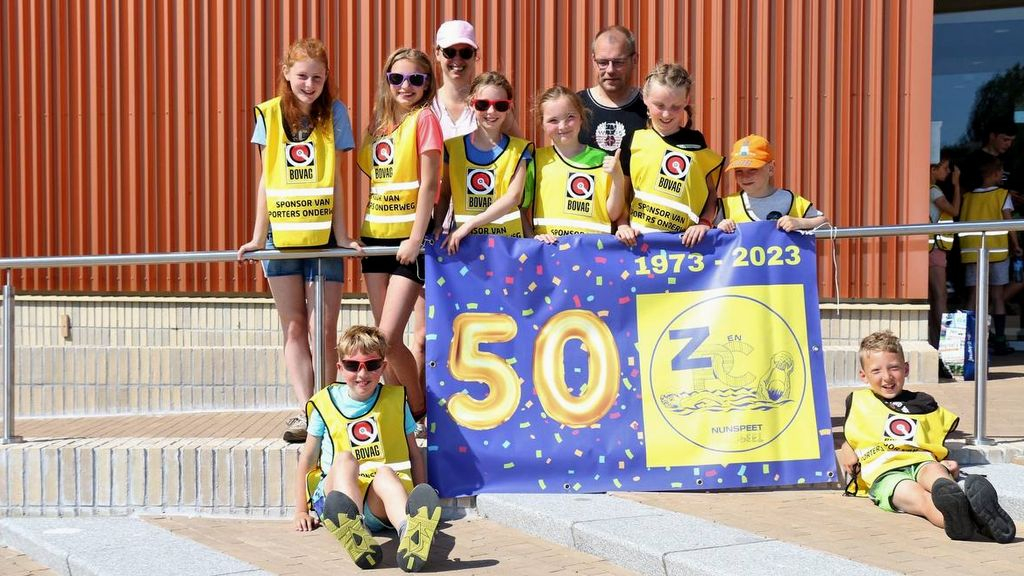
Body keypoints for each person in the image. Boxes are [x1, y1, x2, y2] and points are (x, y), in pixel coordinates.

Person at [237, 38, 361, 444]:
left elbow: (338, 179)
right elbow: (266, 181)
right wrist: (258, 238)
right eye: (303, 76)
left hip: (323, 238)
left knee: (323, 329)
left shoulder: (335, 114)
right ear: (287, 74)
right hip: (282, 239)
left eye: (318, 77)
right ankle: (306, 410)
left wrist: (343, 235)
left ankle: (325, 406)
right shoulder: (269, 115)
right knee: (293, 327)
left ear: (327, 80)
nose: (310, 84)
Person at [837, 330, 1015, 543]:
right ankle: (971, 522)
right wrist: (847, 449)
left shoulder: (923, 403)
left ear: (906, 369)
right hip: (884, 474)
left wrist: (943, 461)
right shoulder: (859, 401)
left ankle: (956, 500)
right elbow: (854, 433)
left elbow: (928, 440)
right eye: (876, 370)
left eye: (894, 367)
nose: (887, 377)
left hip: (921, 461)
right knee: (920, 499)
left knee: (937, 476)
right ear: (863, 375)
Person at [294, 325, 442, 571]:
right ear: (340, 367)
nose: (362, 374)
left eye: (371, 365)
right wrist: (300, 510)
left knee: (385, 473)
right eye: (353, 366)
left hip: (377, 502)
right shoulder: (324, 402)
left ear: (383, 367)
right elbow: (308, 458)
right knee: (344, 459)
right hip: (338, 496)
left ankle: (410, 531)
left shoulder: (395, 400)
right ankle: (354, 529)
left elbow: (414, 455)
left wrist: (417, 494)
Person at [357, 48, 442, 419]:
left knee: (386, 340)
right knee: (381, 338)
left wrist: (415, 237)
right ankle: (397, 414)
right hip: (375, 237)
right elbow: (377, 181)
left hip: (409, 241)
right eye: (397, 78)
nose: (405, 86)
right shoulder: (378, 125)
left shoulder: (425, 120)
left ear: (427, 84)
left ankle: (418, 408)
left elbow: (429, 185)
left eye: (415, 79)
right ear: (386, 82)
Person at [614, 63, 723, 249]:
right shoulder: (633, 141)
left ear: (686, 101)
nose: (666, 114)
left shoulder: (696, 141)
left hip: (685, 246)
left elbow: (710, 194)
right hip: (641, 243)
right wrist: (623, 225)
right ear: (645, 99)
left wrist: (704, 223)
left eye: (675, 107)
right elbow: (621, 194)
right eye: (660, 105)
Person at [438, 71, 533, 253]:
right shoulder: (452, 148)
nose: (491, 112)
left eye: (500, 105)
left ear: (509, 107)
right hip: (465, 246)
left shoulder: (520, 150)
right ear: (471, 104)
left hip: (507, 247)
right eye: (482, 104)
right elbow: (444, 193)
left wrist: (469, 225)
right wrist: (437, 226)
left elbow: (513, 197)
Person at [531, 85, 626, 241]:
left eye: (570, 117)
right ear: (542, 124)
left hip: (593, 254)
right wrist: (532, 237)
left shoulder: (602, 159)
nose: (562, 126)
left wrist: (618, 177)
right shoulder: (536, 160)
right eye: (553, 120)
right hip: (549, 253)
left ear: (581, 117)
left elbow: (613, 214)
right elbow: (520, 209)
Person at [959, 156, 1021, 355]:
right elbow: (1009, 222)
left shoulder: (967, 196)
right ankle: (1000, 339)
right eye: (1001, 172)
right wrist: (1016, 245)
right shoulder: (1002, 195)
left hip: (971, 251)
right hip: (997, 251)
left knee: (973, 296)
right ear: (995, 174)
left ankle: (966, 340)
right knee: (997, 296)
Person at [715, 134, 828, 233]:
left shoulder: (791, 200)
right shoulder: (726, 206)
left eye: (753, 170)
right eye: (739, 171)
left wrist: (800, 223)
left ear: (771, 168)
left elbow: (824, 223)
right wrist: (719, 228)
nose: (745, 176)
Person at [577, 26, 647, 153]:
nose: (610, 70)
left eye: (618, 62)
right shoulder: (576, 105)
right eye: (603, 62)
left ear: (635, 60)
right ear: (594, 61)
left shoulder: (650, 107)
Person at [928, 154, 960, 356]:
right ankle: (945, 346)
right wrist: (957, 185)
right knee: (941, 296)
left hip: (927, 249)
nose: (948, 173)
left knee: (931, 298)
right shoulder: (934, 191)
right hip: (935, 250)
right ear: (933, 170)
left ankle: (933, 342)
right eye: (945, 168)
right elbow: (954, 210)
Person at [958, 119, 1017, 198]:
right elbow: (964, 192)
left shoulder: (1009, 160)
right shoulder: (973, 160)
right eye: (1005, 140)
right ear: (992, 136)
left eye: (1012, 141)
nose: (1009, 144)